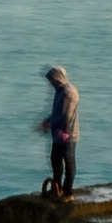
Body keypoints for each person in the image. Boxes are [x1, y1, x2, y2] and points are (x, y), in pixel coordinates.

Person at [37, 64, 80, 199]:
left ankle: (68, 193)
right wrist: (48, 120)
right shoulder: (60, 90)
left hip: (68, 134)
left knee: (68, 162)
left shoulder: (68, 92)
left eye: (52, 80)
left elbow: (65, 115)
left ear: (58, 78)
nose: (51, 83)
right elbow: (57, 113)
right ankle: (57, 189)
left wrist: (50, 124)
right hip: (58, 134)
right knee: (55, 160)